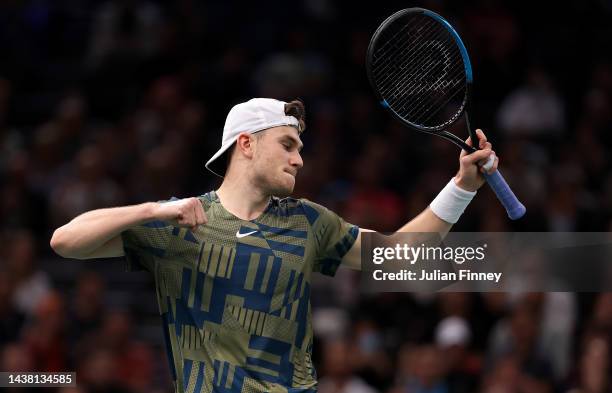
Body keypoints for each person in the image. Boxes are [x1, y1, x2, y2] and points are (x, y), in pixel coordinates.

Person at [51, 98, 498, 392]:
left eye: (299, 147)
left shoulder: (308, 221)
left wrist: (462, 185)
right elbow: (65, 241)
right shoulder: (179, 221)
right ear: (246, 144)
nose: (299, 159)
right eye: (287, 144)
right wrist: (151, 210)